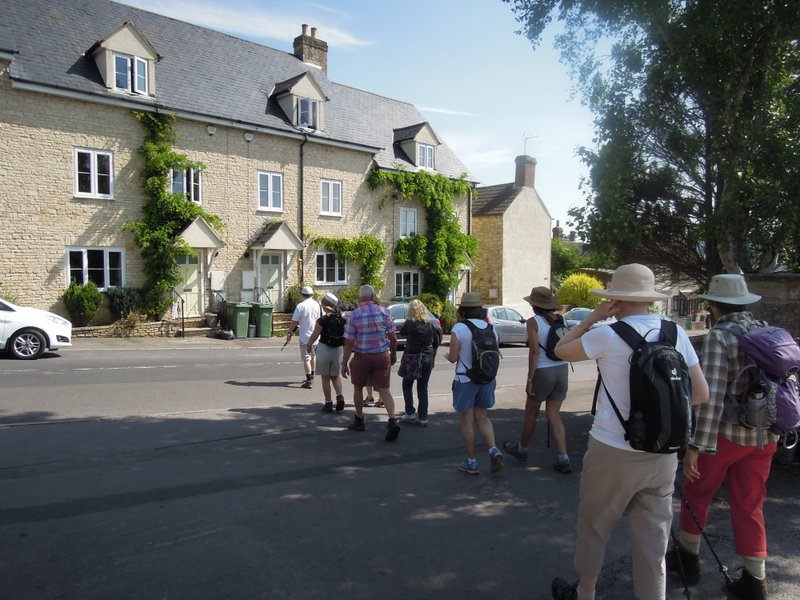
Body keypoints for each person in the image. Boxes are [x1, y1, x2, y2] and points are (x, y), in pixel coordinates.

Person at [550, 264, 709, 600]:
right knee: (653, 543)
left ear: (616, 300)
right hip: (662, 453)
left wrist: (593, 317)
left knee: (595, 525)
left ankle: (586, 592)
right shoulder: (675, 333)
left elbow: (561, 349)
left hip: (612, 449)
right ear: (649, 298)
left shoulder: (606, 334)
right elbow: (700, 394)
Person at [666, 275, 775, 600]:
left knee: (697, 493)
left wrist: (696, 447)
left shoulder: (720, 336)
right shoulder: (764, 329)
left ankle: (689, 559)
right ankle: (755, 580)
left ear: (713, 305)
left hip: (724, 437)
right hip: (763, 435)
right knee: (750, 504)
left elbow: (710, 397)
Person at [504, 286, 571, 472]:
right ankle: (563, 457)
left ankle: (522, 449)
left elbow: (534, 352)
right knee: (554, 415)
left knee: (531, 414)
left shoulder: (533, 322)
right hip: (561, 368)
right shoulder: (561, 319)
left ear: (534, 305)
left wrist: (530, 379)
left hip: (543, 371)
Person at [446, 291, 504, 474]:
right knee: (483, 417)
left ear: (462, 310)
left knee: (467, 420)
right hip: (487, 379)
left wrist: (447, 356)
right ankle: (493, 449)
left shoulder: (459, 329)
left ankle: (471, 462)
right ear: (480, 309)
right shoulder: (491, 328)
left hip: (465, 379)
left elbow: (454, 357)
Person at [341, 285, 401, 441]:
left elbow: (349, 342)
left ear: (360, 298)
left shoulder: (354, 315)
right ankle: (392, 420)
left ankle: (359, 420)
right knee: (385, 389)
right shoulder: (384, 312)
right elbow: (393, 338)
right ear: (373, 296)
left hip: (362, 356)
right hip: (381, 355)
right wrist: (393, 354)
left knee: (358, 387)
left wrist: (344, 363)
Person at [399, 299, 439, 426]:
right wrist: (433, 359)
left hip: (411, 358)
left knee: (407, 385)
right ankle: (423, 417)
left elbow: (401, 332)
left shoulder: (410, 323)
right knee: (423, 388)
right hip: (426, 358)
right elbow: (435, 344)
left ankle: (410, 413)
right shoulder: (430, 325)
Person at [306, 293, 346, 413]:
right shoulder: (342, 319)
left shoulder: (323, 319)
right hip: (338, 350)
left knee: (325, 378)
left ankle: (328, 402)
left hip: (324, 348)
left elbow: (315, 334)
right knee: (335, 376)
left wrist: (309, 345)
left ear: (324, 306)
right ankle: (340, 396)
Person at [287, 285, 321, 389]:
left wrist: (289, 333)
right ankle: (312, 376)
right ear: (312, 294)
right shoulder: (317, 305)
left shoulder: (300, 306)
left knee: (306, 358)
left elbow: (294, 322)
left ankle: (308, 380)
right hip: (316, 336)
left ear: (302, 295)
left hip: (304, 337)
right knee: (313, 356)